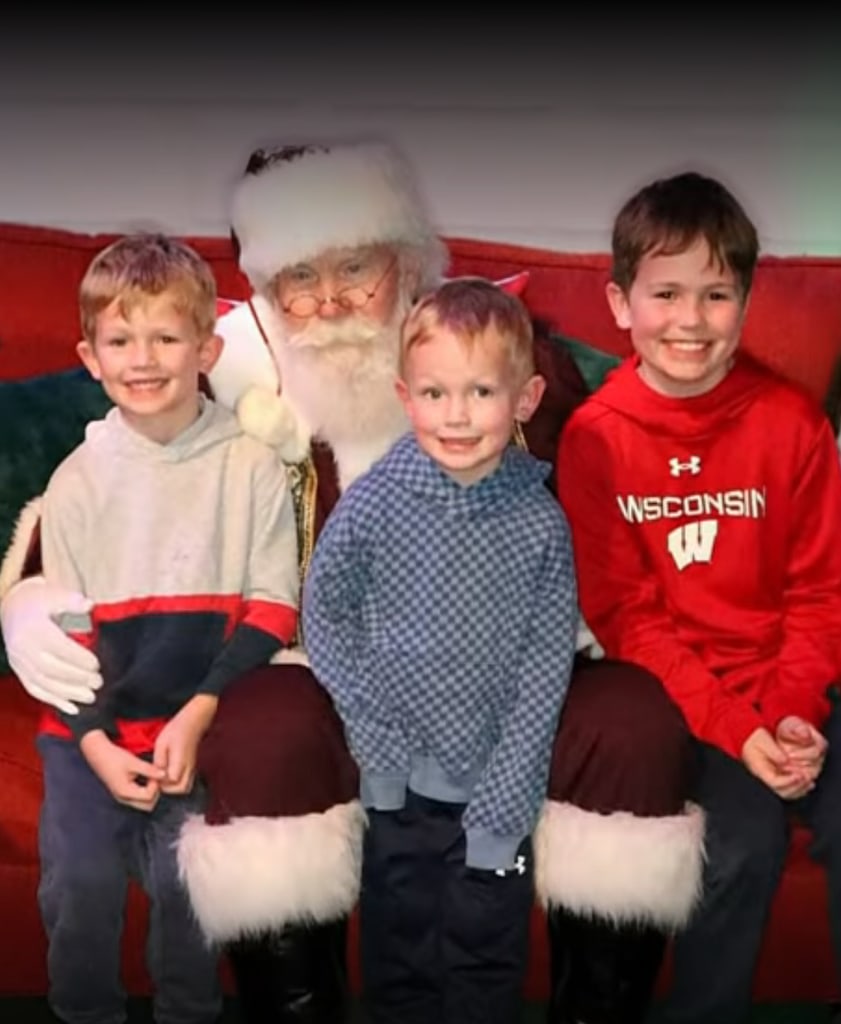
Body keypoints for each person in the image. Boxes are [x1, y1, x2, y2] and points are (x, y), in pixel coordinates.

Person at [0, 140, 703, 1024]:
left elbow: (631, 448)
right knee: (257, 734)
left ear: (403, 259)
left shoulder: (504, 355)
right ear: (264, 291)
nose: (327, 300)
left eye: (354, 268)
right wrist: (26, 598)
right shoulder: (218, 367)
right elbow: (97, 445)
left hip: (515, 660)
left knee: (633, 724)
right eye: (298, 276)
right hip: (326, 673)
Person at [556, 170, 841, 1024]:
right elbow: (627, 619)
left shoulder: (790, 423)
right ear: (619, 303)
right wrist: (740, 730)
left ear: (745, 302)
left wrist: (793, 714)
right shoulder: (594, 439)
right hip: (686, 698)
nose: (689, 320)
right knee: (743, 843)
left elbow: (820, 591)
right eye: (666, 293)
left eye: (715, 294)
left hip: (797, 688)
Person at [33, 233, 300, 1024]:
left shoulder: (248, 464)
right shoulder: (76, 480)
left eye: (165, 337)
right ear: (90, 355)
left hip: (196, 724)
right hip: (89, 733)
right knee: (78, 888)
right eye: (120, 340)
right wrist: (94, 742)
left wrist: (203, 707)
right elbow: (62, 627)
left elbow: (274, 603)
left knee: (191, 897)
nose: (142, 359)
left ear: (206, 348)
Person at [302, 277, 577, 1023]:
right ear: (404, 394)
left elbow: (543, 669)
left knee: (486, 954)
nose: (455, 416)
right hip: (395, 787)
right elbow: (322, 613)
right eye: (434, 393)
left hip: (496, 788)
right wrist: (374, 733)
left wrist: (505, 796)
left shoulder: (539, 524)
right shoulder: (374, 501)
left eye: (481, 391)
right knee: (398, 954)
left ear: (523, 400)